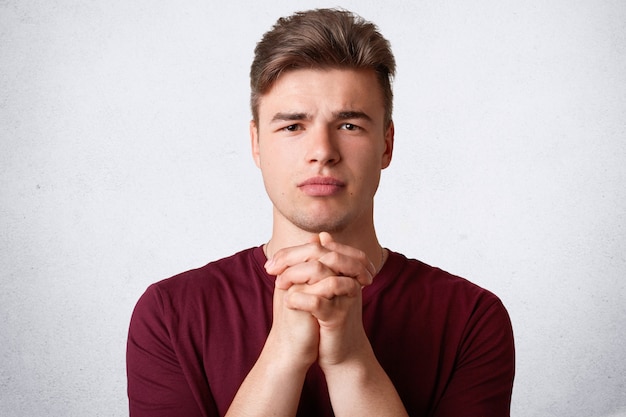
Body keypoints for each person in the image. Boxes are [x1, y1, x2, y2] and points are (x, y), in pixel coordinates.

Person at [126, 8, 515, 417]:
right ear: (257, 143)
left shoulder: (472, 318)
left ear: (386, 144)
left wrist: (351, 362)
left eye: (349, 125)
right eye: (293, 126)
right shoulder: (170, 314)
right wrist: (282, 356)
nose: (322, 152)